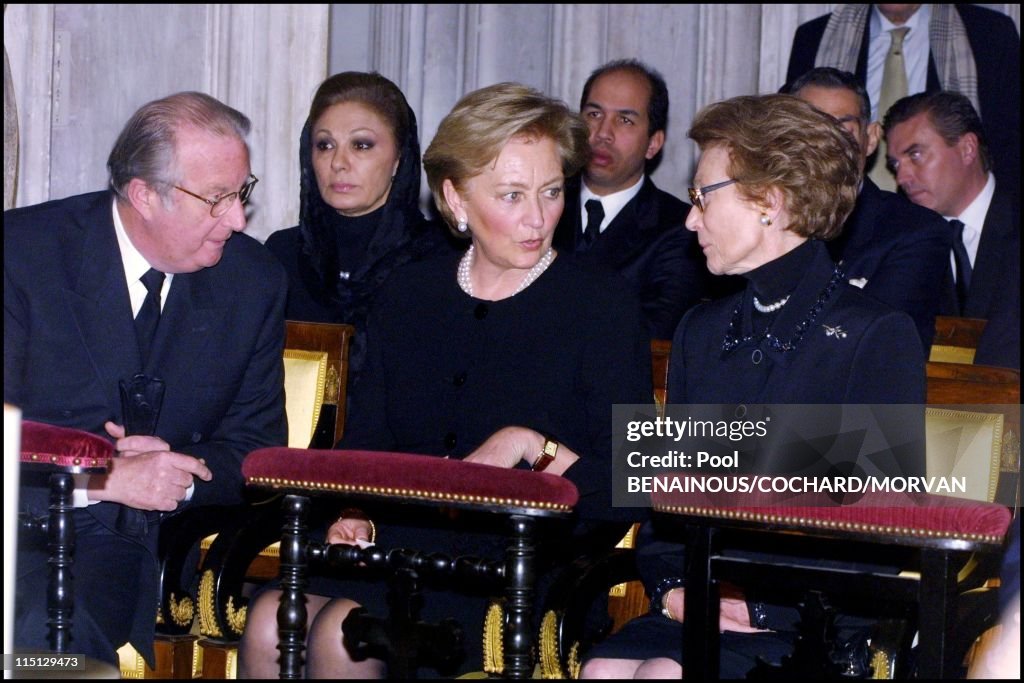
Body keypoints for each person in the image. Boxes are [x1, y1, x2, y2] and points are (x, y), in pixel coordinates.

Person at [238, 82, 652, 678]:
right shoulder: (411, 293)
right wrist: (353, 506)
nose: (538, 217)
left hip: (519, 562)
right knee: (272, 618)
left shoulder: (600, 304)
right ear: (455, 199)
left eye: (552, 191)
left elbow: (626, 473)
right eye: (512, 195)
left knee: (340, 634)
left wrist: (533, 449)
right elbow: (368, 438)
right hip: (397, 545)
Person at [581, 94, 926, 679]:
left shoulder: (876, 335)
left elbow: (883, 522)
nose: (690, 219)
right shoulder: (701, 329)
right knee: (604, 670)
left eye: (701, 197)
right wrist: (670, 589)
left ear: (770, 200)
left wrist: (757, 602)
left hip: (815, 617)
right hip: (699, 602)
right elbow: (666, 497)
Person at [4, 92, 288, 666]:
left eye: (242, 192)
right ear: (143, 196)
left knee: (46, 635)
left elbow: (259, 450)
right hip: (24, 523)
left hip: (137, 547)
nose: (237, 219)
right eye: (216, 199)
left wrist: (174, 478)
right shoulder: (23, 256)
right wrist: (99, 481)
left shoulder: (251, 281)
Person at [264, 71, 448, 386]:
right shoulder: (281, 255)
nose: (339, 162)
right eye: (324, 145)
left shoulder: (440, 259)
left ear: (399, 158)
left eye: (361, 145)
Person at [783, 66, 952, 353]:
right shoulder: (760, 217)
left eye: (842, 129)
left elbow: (877, 347)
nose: (827, 143)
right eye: (810, 129)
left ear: (870, 138)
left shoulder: (914, 231)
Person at [786, 3, 1020, 196]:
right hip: (843, 214)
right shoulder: (816, 38)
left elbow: (1009, 146)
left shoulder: (989, 34)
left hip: (953, 223)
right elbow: (789, 138)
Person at [552, 59, 705, 340]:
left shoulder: (681, 229)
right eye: (594, 114)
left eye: (624, 120)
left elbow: (654, 334)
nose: (602, 134)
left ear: (653, 144)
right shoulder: (541, 205)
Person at [884, 90, 1020, 369]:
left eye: (916, 155)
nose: (901, 177)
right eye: (895, 164)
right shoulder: (904, 241)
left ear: (967, 148)